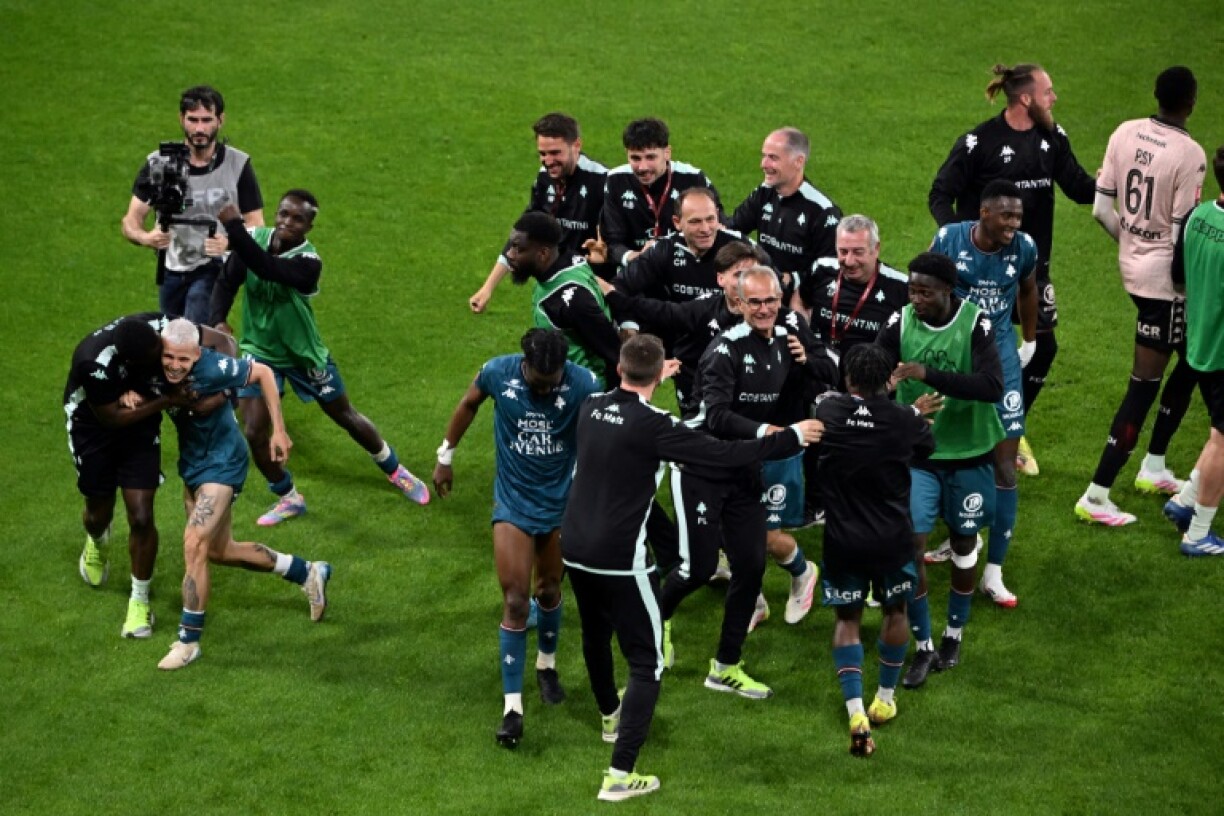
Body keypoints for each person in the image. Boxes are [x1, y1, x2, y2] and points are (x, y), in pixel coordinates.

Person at [561, 333, 823, 801]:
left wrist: (650, 375)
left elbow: (624, 410)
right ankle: (619, 774)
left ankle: (609, 717)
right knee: (648, 664)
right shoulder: (656, 425)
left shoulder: (591, 406)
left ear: (620, 368)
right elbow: (722, 454)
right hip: (621, 558)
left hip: (574, 547)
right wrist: (791, 437)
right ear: (660, 374)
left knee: (595, 634)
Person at [208, 193, 430, 526]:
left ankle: (394, 468)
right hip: (260, 349)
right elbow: (227, 281)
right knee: (253, 430)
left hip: (303, 354)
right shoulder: (254, 241)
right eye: (283, 213)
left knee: (344, 415)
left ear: (309, 226)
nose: (287, 222)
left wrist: (234, 228)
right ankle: (288, 496)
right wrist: (218, 320)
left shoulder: (309, 262)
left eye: (297, 219)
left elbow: (266, 268)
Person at [431, 329, 602, 748]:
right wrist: (445, 456)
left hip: (561, 504)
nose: (543, 390)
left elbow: (602, 435)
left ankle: (546, 665)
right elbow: (468, 403)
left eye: (551, 382)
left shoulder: (584, 384)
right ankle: (512, 709)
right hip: (513, 503)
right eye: (537, 382)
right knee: (515, 601)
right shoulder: (497, 372)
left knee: (549, 588)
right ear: (524, 364)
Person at [929, 63, 1095, 475]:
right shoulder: (979, 142)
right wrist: (957, 240)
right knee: (970, 350)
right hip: (978, 273)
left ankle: (1012, 427)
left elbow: (1079, 188)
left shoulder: (1052, 137)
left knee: (1043, 349)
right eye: (1048, 92)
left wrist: (1117, 181)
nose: (1054, 98)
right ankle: (956, 429)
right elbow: (940, 194)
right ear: (1026, 98)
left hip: (1029, 270)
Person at [506, 211, 681, 571]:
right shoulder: (566, 265)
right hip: (574, 395)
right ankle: (669, 551)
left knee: (610, 478)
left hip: (586, 401)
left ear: (542, 253)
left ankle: (662, 551)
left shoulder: (569, 300)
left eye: (518, 249)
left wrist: (623, 402)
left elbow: (612, 352)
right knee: (609, 478)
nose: (510, 254)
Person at [153, 319, 329, 670]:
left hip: (223, 462)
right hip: (193, 463)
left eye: (183, 360)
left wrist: (278, 431)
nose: (174, 366)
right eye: (169, 357)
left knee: (193, 542)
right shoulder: (154, 367)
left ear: (196, 354)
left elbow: (263, 372)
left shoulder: (214, 367)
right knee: (218, 550)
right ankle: (306, 571)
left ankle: (188, 641)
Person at [1075, 67, 1207, 525]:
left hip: (1133, 270)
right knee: (1143, 388)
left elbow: (1100, 209)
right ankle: (1096, 495)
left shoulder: (1124, 132)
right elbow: (1181, 236)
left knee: (1194, 361)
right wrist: (1183, 287)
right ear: (1192, 102)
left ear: (1156, 94)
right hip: (1166, 287)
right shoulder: (1190, 154)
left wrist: (1132, 246)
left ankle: (1154, 465)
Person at [692, 267, 838, 645]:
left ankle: (803, 573)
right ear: (739, 303)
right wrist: (766, 431)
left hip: (777, 454)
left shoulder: (790, 333)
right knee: (733, 535)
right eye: (754, 302)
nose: (763, 309)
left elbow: (831, 371)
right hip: (739, 452)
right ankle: (755, 601)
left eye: (770, 300)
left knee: (767, 536)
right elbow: (717, 415)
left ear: (780, 299)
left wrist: (806, 360)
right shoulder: (724, 350)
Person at [878, 252, 1004, 687]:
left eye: (925, 292)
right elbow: (875, 372)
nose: (916, 299)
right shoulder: (899, 322)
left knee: (965, 541)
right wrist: (886, 385)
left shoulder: (975, 324)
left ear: (948, 291)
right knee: (912, 543)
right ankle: (924, 644)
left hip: (970, 452)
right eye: (912, 290)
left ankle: (954, 633)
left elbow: (992, 386)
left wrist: (927, 373)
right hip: (920, 456)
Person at [64, 313, 229, 638]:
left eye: (162, 351)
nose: (165, 363)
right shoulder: (93, 362)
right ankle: (96, 539)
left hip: (139, 426)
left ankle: (138, 601)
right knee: (98, 512)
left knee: (141, 516)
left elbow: (224, 342)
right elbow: (112, 419)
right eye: (157, 359)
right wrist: (166, 400)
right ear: (131, 363)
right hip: (92, 427)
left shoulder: (161, 327)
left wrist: (228, 387)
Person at [814, 343, 936, 757]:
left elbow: (837, 411)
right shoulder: (904, 421)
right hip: (891, 539)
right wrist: (909, 411)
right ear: (888, 379)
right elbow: (925, 445)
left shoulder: (829, 411)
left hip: (843, 539)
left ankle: (855, 711)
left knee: (847, 619)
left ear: (849, 379)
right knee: (895, 612)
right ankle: (883, 698)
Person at [927, 180, 1038, 608]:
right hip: (955, 357)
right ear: (984, 213)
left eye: (1018, 216)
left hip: (1001, 363)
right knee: (947, 454)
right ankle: (961, 536)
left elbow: (1028, 289)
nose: (1014, 224)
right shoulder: (949, 239)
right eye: (1006, 216)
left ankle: (994, 570)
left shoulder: (1023, 248)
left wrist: (1029, 341)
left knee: (1004, 467)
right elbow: (926, 287)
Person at [794, 214, 909, 527]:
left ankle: (868, 506)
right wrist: (804, 336)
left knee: (865, 450)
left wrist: (892, 379)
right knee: (815, 442)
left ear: (876, 249)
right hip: (821, 376)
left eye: (858, 252)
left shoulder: (900, 287)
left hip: (869, 386)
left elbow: (914, 335)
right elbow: (800, 300)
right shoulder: (822, 269)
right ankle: (817, 504)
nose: (848, 260)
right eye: (842, 251)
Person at [121, 85, 263, 323]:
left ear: (220, 120)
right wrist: (145, 237)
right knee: (172, 334)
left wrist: (229, 242)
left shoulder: (237, 164)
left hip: (213, 266)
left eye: (207, 120)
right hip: (171, 268)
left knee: (193, 329)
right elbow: (131, 220)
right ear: (181, 119)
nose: (199, 128)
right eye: (193, 120)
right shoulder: (159, 163)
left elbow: (256, 224)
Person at [601, 240, 765, 417]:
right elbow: (662, 311)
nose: (747, 282)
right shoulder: (704, 309)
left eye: (753, 274)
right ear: (721, 279)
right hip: (698, 389)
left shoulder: (777, 318)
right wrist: (613, 295)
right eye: (739, 275)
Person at [469, 113, 609, 313]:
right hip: (556, 284)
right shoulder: (545, 178)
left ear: (576, 145)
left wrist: (604, 254)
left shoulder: (603, 181)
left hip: (593, 289)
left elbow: (619, 240)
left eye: (555, 153)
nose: (548, 161)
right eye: (543, 154)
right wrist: (487, 288)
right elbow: (525, 234)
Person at [1163, 146, 1224, 555]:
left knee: (1219, 434)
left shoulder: (1197, 217)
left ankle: (1184, 500)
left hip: (1200, 342)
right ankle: (1198, 533)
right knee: (1223, 440)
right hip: (1222, 350)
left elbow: (1179, 278)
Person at [729, 127, 842, 298]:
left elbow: (832, 268)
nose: (764, 164)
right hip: (762, 291)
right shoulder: (764, 193)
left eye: (773, 158)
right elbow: (734, 229)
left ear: (798, 161)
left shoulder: (823, 212)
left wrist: (793, 279)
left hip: (800, 298)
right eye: (764, 156)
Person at [601, 118, 721, 268]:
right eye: (635, 158)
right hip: (638, 269)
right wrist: (636, 257)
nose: (643, 167)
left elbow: (718, 227)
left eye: (650, 157)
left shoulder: (693, 178)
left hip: (686, 265)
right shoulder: (616, 180)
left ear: (667, 153)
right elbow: (612, 241)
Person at [615, 187, 750, 305]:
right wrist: (629, 321)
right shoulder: (665, 248)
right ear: (677, 222)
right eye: (695, 221)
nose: (705, 229)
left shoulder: (742, 247)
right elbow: (620, 286)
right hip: (675, 323)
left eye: (710, 219)